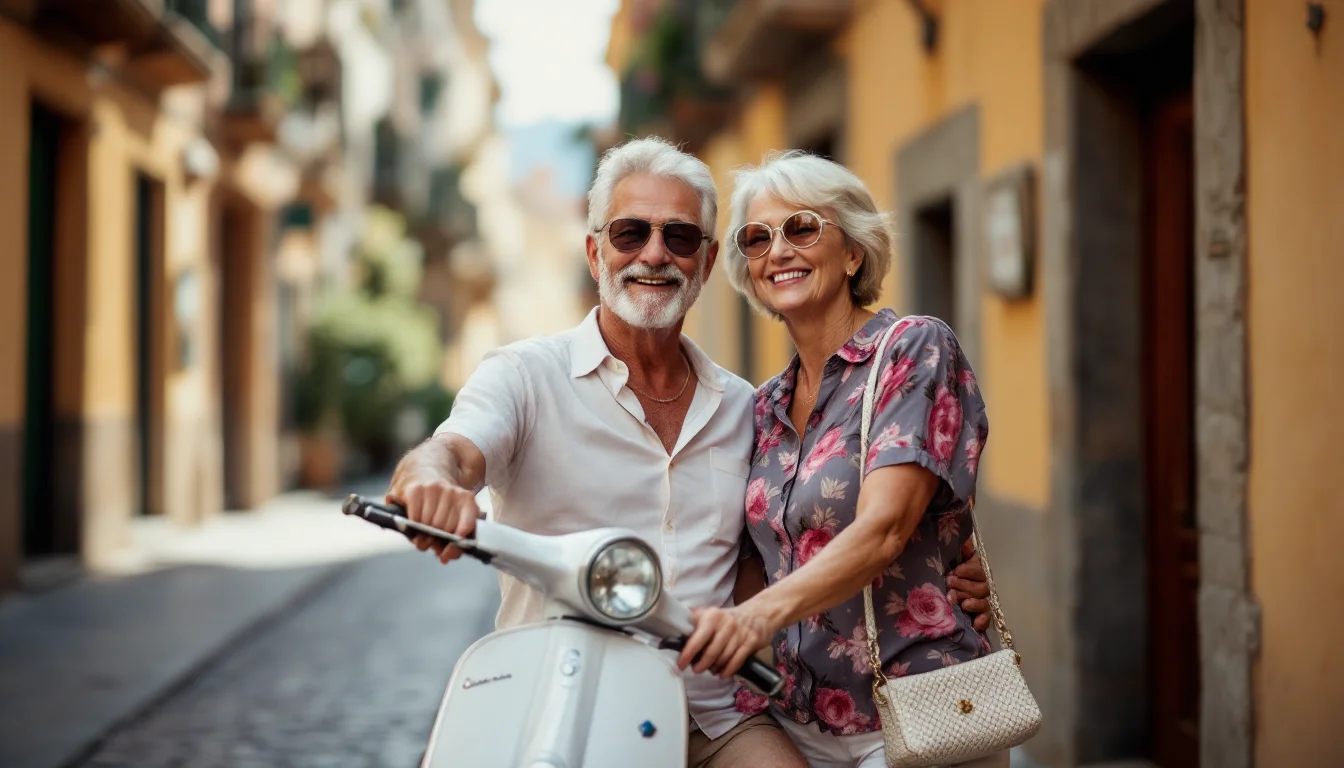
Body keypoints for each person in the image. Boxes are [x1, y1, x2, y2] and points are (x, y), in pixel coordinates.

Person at [385, 138, 990, 768]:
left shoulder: (746, 404)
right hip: (574, 697)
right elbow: (453, 451)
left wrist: (942, 561)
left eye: (678, 236)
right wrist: (431, 481)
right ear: (594, 252)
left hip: (733, 712)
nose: (654, 253)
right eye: (630, 232)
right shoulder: (535, 377)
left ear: (703, 264)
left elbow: (881, 524)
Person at [677, 151, 1007, 768]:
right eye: (758, 239)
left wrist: (754, 619)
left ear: (853, 252)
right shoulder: (764, 406)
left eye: (802, 228)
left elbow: (884, 529)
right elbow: (755, 558)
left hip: (919, 710)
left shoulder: (912, 349)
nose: (779, 250)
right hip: (796, 720)